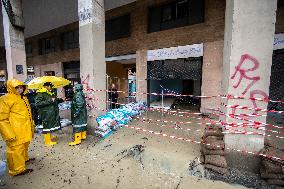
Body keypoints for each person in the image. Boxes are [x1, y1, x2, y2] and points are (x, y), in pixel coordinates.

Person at [0, 79, 34, 176]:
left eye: (21, 87)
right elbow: (2, 118)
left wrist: (32, 124)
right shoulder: (5, 99)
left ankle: (24, 159)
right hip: (14, 130)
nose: (20, 89)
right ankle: (17, 170)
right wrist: (8, 133)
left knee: (24, 145)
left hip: (24, 128)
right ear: (11, 88)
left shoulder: (23, 97)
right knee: (16, 148)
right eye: (17, 88)